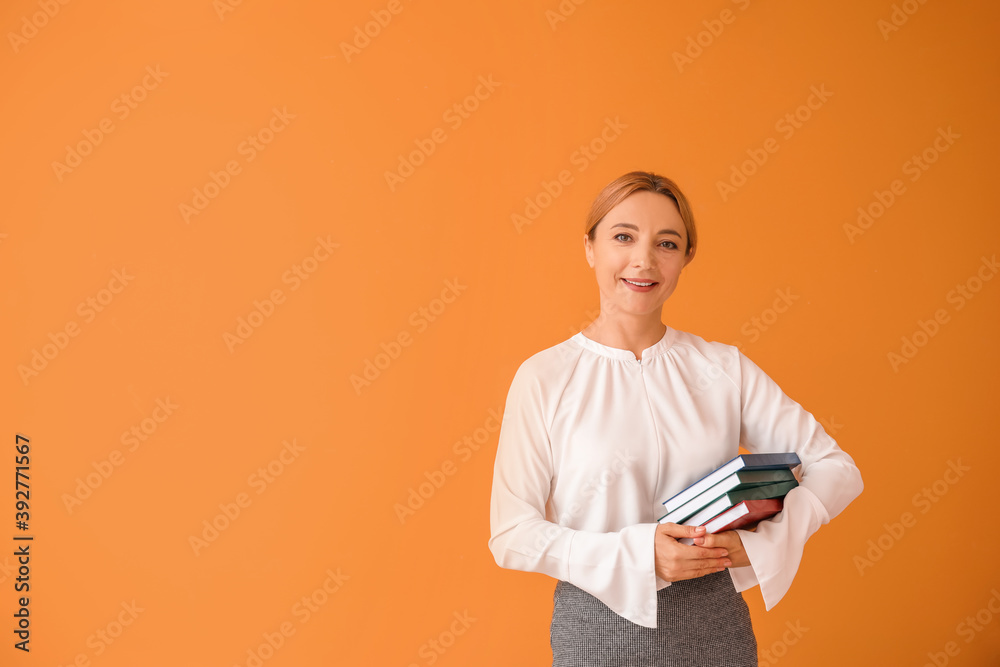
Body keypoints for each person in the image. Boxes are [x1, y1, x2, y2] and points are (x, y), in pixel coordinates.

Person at [487, 170, 864, 666]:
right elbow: (511, 534)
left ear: (686, 257)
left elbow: (836, 467)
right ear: (590, 247)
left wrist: (766, 543)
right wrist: (639, 554)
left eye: (667, 243)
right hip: (594, 641)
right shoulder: (545, 377)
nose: (643, 260)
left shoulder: (723, 368)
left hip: (717, 636)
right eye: (623, 237)